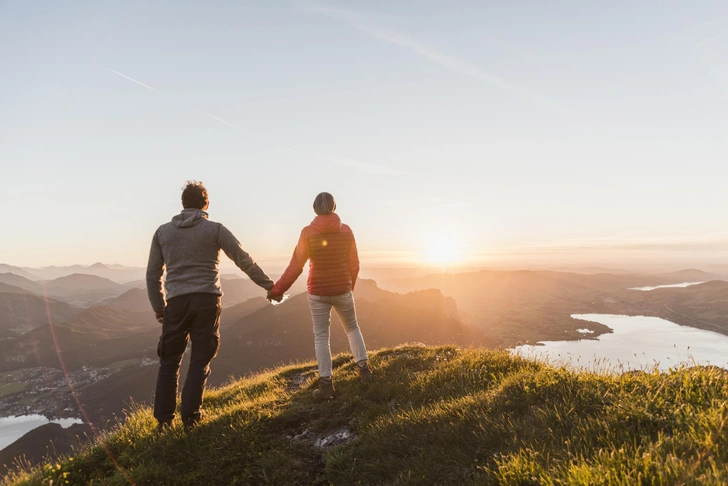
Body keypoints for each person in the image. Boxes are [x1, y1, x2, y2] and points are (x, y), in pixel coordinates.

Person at [146, 181, 276, 430]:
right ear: (206, 204)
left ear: (183, 204)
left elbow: (153, 274)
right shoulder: (215, 229)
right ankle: (191, 419)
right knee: (200, 359)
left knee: (169, 360)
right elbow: (243, 260)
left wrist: (158, 305)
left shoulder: (162, 232)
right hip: (207, 301)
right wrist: (268, 285)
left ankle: (164, 421)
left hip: (176, 302)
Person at [268, 192, 373, 399]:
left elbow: (296, 266)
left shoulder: (308, 233)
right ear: (334, 207)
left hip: (317, 292)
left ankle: (326, 386)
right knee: (352, 328)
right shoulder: (346, 231)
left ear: (315, 209)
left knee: (321, 336)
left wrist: (276, 291)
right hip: (342, 289)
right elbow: (355, 265)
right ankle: (365, 372)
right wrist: (348, 286)